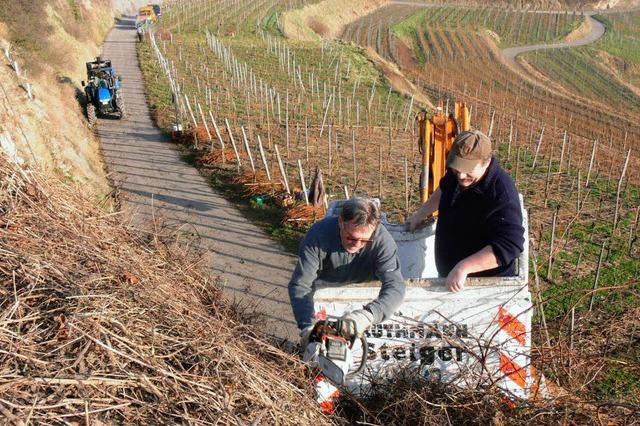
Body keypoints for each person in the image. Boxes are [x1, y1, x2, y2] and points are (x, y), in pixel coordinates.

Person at [406, 129, 524, 292]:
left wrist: (464, 267)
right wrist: (421, 213)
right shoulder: (457, 175)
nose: (461, 176)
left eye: (468, 170)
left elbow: (509, 246)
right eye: (456, 168)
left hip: (482, 288)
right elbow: (444, 189)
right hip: (451, 277)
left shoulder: (501, 192)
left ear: (487, 161)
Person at [288, 197, 406, 345]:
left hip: (364, 300)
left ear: (374, 228)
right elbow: (301, 285)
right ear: (341, 222)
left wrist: (368, 315)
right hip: (323, 298)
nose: (357, 245)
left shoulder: (383, 242)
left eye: (365, 241)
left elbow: (396, 286)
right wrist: (308, 327)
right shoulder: (318, 236)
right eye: (351, 238)